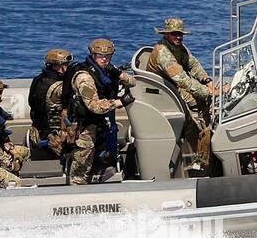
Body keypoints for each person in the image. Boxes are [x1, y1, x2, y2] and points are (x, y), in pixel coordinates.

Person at [145, 17, 218, 171]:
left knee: (202, 105)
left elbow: (192, 63)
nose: (178, 37)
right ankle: (203, 159)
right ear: (166, 34)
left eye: (180, 34)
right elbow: (183, 80)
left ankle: (204, 152)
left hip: (172, 87)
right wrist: (208, 92)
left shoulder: (178, 47)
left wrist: (207, 80)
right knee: (199, 109)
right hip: (165, 92)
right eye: (174, 34)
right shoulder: (163, 54)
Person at [67, 38, 135, 184]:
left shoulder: (106, 69)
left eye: (108, 56)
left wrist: (117, 73)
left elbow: (132, 81)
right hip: (83, 124)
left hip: (98, 122)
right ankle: (76, 188)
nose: (104, 59)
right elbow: (95, 106)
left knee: (109, 146)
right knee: (84, 155)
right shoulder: (85, 77)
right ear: (93, 54)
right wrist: (120, 102)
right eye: (100, 56)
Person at [28, 48, 75, 158]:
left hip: (38, 132)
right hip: (56, 140)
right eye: (66, 65)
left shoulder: (38, 80)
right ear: (58, 67)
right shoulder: (58, 87)